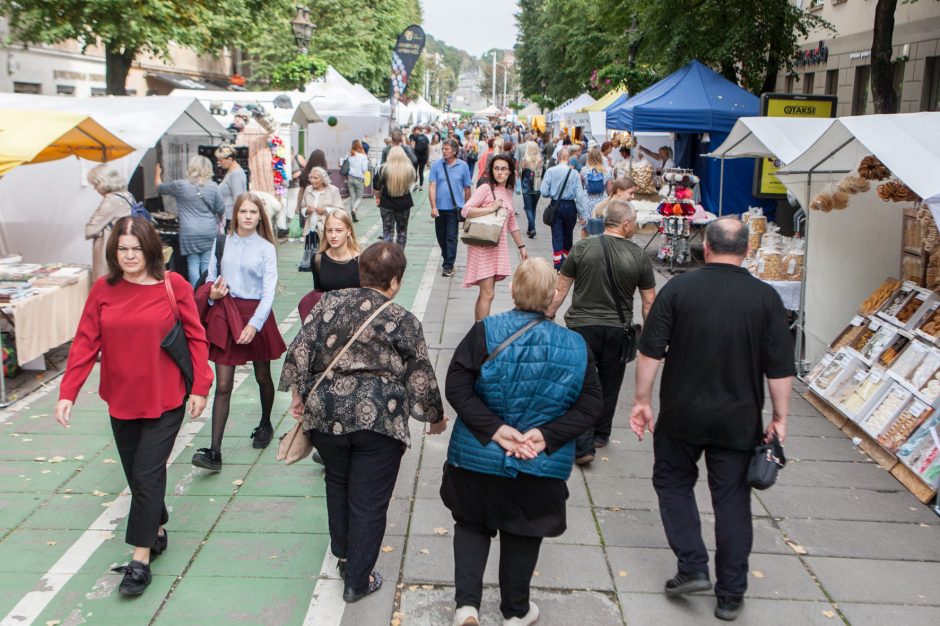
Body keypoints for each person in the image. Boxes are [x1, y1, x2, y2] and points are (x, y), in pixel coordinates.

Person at [630, 218, 794, 622]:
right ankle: (731, 594)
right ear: (747, 251)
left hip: (682, 412)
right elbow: (779, 368)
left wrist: (641, 401)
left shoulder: (680, 289)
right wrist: (780, 417)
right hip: (739, 418)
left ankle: (692, 566)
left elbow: (651, 350)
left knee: (672, 482)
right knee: (733, 500)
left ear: (705, 247)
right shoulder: (766, 299)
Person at [279, 242, 447, 604]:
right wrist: (433, 415)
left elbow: (300, 349)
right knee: (369, 500)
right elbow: (419, 372)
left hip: (327, 414)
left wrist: (297, 395)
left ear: (360, 272)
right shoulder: (401, 318)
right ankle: (357, 578)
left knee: (337, 483)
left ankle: (343, 553)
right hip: (379, 418)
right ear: (396, 281)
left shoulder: (327, 304)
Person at [55, 216, 212, 596]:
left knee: (145, 473)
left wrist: (201, 387)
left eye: (136, 249)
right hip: (121, 399)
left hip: (166, 398)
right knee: (136, 473)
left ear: (151, 250)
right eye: (122, 249)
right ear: (114, 252)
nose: (129, 256)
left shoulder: (172, 286)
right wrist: (68, 392)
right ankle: (155, 529)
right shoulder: (103, 290)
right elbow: (85, 342)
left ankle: (140, 559)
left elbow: (196, 337)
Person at [442, 257, 603, 626]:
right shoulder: (576, 346)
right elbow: (592, 405)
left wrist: (495, 429)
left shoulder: (485, 331)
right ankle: (516, 610)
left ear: (513, 290)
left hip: (477, 457)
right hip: (537, 462)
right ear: (552, 297)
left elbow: (457, 386)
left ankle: (467, 607)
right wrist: (547, 435)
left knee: (471, 525)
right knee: (524, 531)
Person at [545, 200, 656, 465]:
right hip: (618, 330)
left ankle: (582, 443)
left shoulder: (582, 248)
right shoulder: (639, 255)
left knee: (582, 383)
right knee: (610, 384)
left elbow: (560, 289)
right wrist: (651, 341)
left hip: (581, 328)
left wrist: (547, 315)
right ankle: (600, 435)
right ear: (626, 224)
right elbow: (649, 302)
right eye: (635, 221)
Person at [189, 193, 285, 471]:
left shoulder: (266, 248)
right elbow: (210, 279)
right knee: (223, 385)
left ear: (260, 216)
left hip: (257, 315)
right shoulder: (221, 242)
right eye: (243, 211)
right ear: (235, 214)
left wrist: (255, 324)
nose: (248, 216)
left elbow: (268, 293)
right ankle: (214, 452)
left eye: (253, 212)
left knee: (263, 376)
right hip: (226, 311)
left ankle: (265, 422)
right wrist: (212, 296)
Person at [462, 154, 528, 321]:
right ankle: (482, 334)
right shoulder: (485, 189)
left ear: (510, 172)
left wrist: (521, 247)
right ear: (491, 171)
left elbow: (512, 223)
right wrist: (491, 208)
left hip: (497, 247)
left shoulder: (508, 192)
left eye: (504, 169)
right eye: (496, 168)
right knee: (488, 293)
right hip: (483, 246)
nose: (499, 172)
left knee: (487, 293)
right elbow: (466, 210)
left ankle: (478, 329)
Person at [155, 157, 225, 287]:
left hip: (189, 231)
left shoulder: (181, 185)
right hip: (208, 230)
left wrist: (158, 172)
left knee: (192, 263)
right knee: (206, 263)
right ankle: (205, 292)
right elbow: (220, 208)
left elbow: (159, 188)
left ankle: (194, 294)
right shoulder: (213, 186)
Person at [539, 148, 589, 271]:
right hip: (570, 206)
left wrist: (553, 192)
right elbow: (580, 195)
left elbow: (544, 192)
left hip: (556, 205)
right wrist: (583, 215)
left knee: (557, 235)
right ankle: (566, 263)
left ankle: (558, 265)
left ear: (558, 156)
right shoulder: (574, 173)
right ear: (568, 158)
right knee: (568, 235)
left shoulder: (550, 171)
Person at [429, 139, 472, 278]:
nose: (444, 151)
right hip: (440, 208)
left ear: (454, 151)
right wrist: (433, 206)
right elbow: (432, 187)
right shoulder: (436, 165)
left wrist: (467, 207)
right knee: (441, 237)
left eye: (447, 149)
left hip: (455, 208)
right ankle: (447, 257)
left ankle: (448, 265)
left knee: (451, 237)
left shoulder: (463, 166)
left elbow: (467, 188)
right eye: (443, 149)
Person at [84, 164, 134, 280]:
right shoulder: (127, 195)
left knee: (106, 282)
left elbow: (90, 229)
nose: (95, 188)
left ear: (104, 182)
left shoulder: (111, 200)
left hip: (109, 247)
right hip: (123, 243)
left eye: (96, 184)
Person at [373, 146, 416, 248]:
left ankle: (388, 257)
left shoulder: (383, 169)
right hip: (404, 203)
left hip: (386, 204)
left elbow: (376, 187)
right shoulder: (409, 169)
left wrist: (378, 198)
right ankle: (400, 256)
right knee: (402, 231)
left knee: (387, 232)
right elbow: (413, 182)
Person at [300, 166, 344, 253]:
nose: (312, 180)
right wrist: (306, 210)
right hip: (310, 230)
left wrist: (325, 210)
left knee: (326, 255)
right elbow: (302, 207)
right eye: (311, 177)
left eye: (315, 178)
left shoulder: (333, 190)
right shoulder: (308, 189)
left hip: (326, 230)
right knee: (310, 257)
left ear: (323, 179)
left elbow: (340, 210)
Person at [580, 147, 612, 238]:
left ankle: (585, 247)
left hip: (587, 201)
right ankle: (600, 247)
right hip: (602, 202)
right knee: (601, 226)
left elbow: (579, 186)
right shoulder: (607, 171)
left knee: (585, 227)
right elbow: (609, 189)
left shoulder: (584, 170)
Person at [215, 144, 248, 231]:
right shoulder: (232, 172)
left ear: (230, 159)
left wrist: (235, 223)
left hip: (231, 218)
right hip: (229, 217)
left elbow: (238, 199)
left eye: (221, 160)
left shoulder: (235, 174)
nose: (218, 163)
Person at [519, 142, 543, 239]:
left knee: (528, 208)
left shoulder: (525, 160)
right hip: (537, 188)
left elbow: (522, 174)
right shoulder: (541, 160)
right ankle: (530, 228)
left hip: (527, 187)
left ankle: (532, 228)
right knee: (533, 208)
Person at [342, 140, 370, 223]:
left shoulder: (349, 155)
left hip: (350, 178)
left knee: (352, 197)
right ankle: (354, 210)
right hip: (359, 179)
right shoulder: (363, 156)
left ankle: (353, 216)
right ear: (359, 146)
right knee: (359, 197)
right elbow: (365, 169)